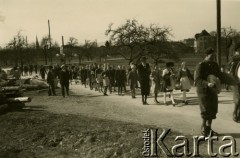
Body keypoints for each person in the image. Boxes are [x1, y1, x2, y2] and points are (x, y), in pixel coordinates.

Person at [195, 48, 222, 136]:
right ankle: (203, 128)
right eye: (212, 55)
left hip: (213, 90)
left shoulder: (215, 64)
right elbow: (198, 79)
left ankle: (209, 129)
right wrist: (207, 84)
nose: (214, 57)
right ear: (207, 55)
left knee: (213, 109)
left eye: (214, 55)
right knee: (205, 109)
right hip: (203, 90)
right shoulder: (201, 65)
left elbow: (219, 75)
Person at [227, 51, 240, 122]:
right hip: (235, 82)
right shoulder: (234, 62)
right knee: (238, 99)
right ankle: (235, 113)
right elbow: (230, 72)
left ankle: (238, 113)